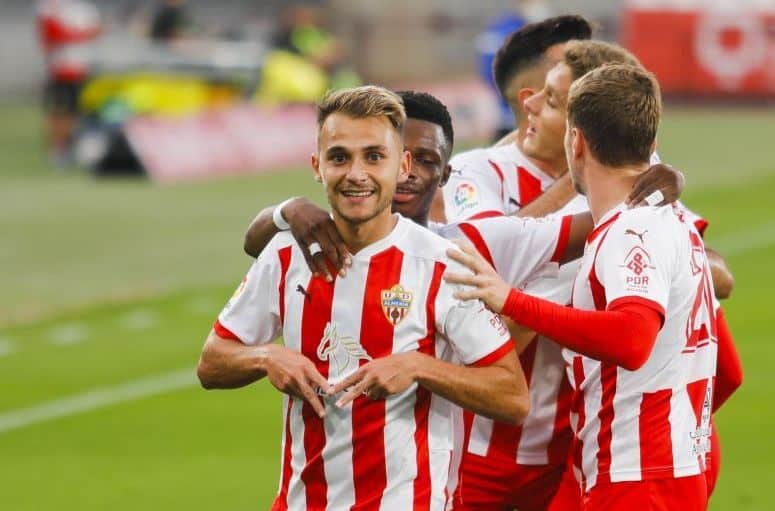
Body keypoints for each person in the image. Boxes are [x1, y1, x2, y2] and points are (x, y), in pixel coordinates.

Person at [197, 86, 530, 510]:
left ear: (401, 165)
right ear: (317, 167)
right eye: (340, 157)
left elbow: (513, 397)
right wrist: (266, 357)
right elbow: (212, 361)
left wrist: (419, 366)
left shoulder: (442, 266)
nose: (356, 173)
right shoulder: (285, 255)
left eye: (374, 156)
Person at [445, 64, 722, 510]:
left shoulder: (628, 232)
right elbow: (726, 370)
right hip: (656, 467)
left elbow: (632, 340)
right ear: (651, 145)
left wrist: (510, 299)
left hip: (636, 477)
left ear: (576, 141)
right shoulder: (675, 221)